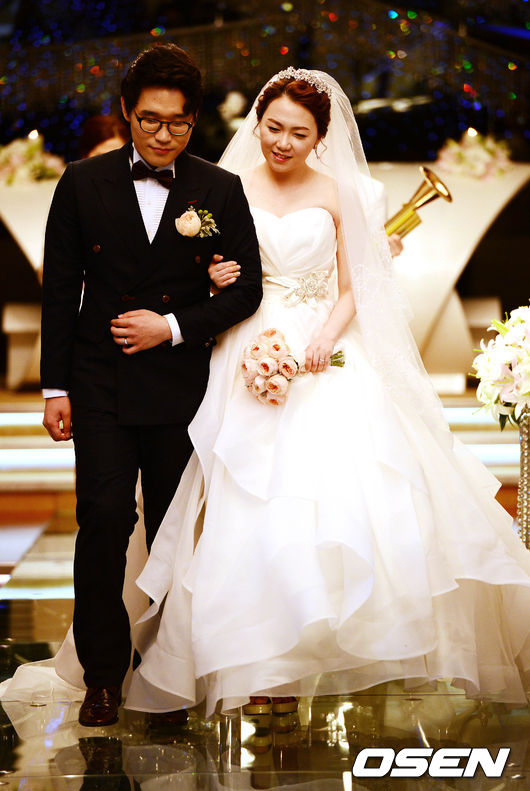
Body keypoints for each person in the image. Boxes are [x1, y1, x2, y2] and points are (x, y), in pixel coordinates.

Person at [124, 68, 530, 717]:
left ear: (320, 137)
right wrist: (216, 274)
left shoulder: (342, 192)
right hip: (245, 340)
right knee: (246, 494)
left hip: (324, 346)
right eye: (273, 128)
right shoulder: (225, 186)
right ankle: (262, 665)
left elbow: (354, 284)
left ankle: (314, 651)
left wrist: (324, 337)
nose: (282, 142)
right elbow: (196, 269)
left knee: (335, 496)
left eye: (298, 133)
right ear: (258, 123)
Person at [38, 42, 262, 727]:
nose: (164, 135)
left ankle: (167, 677)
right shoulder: (82, 182)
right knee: (104, 521)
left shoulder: (219, 189)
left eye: (179, 123)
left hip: (180, 383)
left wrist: (171, 325)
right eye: (150, 121)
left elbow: (247, 289)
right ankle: (104, 677)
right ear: (126, 114)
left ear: (195, 119)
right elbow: (61, 291)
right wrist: (53, 388)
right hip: (98, 379)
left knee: (173, 532)